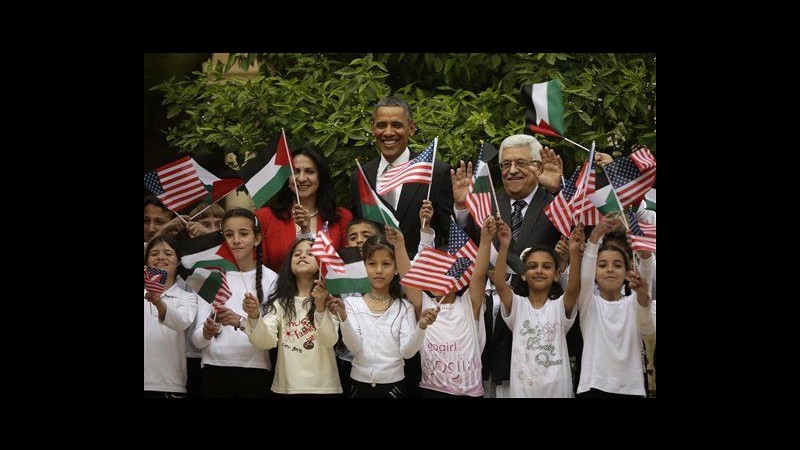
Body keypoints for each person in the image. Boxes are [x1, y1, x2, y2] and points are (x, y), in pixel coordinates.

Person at [451, 133, 563, 397]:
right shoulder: (485, 201)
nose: (512, 171)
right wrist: (461, 208)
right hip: (487, 315)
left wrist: (558, 190)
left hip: (535, 318)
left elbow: (577, 230)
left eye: (521, 163)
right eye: (505, 164)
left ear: (537, 166)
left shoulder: (555, 202)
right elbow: (463, 248)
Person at [327, 233, 438, 398]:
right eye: (372, 264)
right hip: (358, 385)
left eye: (386, 264)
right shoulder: (351, 303)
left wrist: (421, 326)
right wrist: (343, 317)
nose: (378, 270)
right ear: (364, 266)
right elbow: (354, 347)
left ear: (395, 269)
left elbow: (407, 353)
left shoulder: (404, 307)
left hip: (394, 387)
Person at [349, 96, 454, 258]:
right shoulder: (361, 176)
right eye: (381, 125)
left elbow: (452, 237)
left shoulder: (436, 172)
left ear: (411, 128)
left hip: (420, 276)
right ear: (372, 128)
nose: (388, 132)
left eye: (397, 125)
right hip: (374, 276)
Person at [493, 219, 588, 397]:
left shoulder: (560, 306)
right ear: (523, 275)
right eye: (532, 266)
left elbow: (574, 289)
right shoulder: (517, 306)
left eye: (546, 266)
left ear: (556, 275)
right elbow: (499, 283)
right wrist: (504, 246)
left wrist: (574, 254)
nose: (539, 271)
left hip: (558, 391)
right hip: (522, 392)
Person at [191, 208, 279, 397]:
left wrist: (242, 320)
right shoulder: (209, 276)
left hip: (255, 370)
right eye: (229, 234)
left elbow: (271, 340)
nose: (236, 240)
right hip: (213, 369)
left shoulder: (272, 279)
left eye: (244, 233)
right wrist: (207, 332)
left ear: (257, 239)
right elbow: (197, 341)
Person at [242, 239, 342, 396]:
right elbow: (264, 342)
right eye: (297, 253)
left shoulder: (330, 299)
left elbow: (329, 340)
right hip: (287, 387)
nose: (302, 256)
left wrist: (321, 306)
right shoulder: (279, 303)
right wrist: (254, 316)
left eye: (310, 253)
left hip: (324, 387)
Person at [576, 216, 654, 397]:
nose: (610, 269)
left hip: (631, 388)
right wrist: (595, 235)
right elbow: (585, 274)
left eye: (617, 265)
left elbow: (647, 327)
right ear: (594, 273)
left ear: (627, 274)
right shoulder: (589, 304)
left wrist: (645, 254)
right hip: (593, 386)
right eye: (602, 265)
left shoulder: (634, 302)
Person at [256, 145, 353, 273]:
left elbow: (348, 269)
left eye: (310, 171)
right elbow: (259, 269)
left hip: (328, 292)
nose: (301, 178)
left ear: (321, 176)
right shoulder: (264, 217)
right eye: (295, 171)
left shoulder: (342, 217)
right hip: (278, 292)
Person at [334, 218, 384, 397]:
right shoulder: (340, 276)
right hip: (348, 360)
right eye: (353, 237)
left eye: (366, 235)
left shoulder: (386, 274)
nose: (359, 240)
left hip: (383, 363)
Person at [144, 235, 198, 397]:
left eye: (168, 253)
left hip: (170, 384)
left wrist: (159, 303)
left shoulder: (187, 297)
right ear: (146, 261)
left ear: (179, 262)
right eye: (154, 254)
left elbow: (181, 322)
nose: (161, 257)